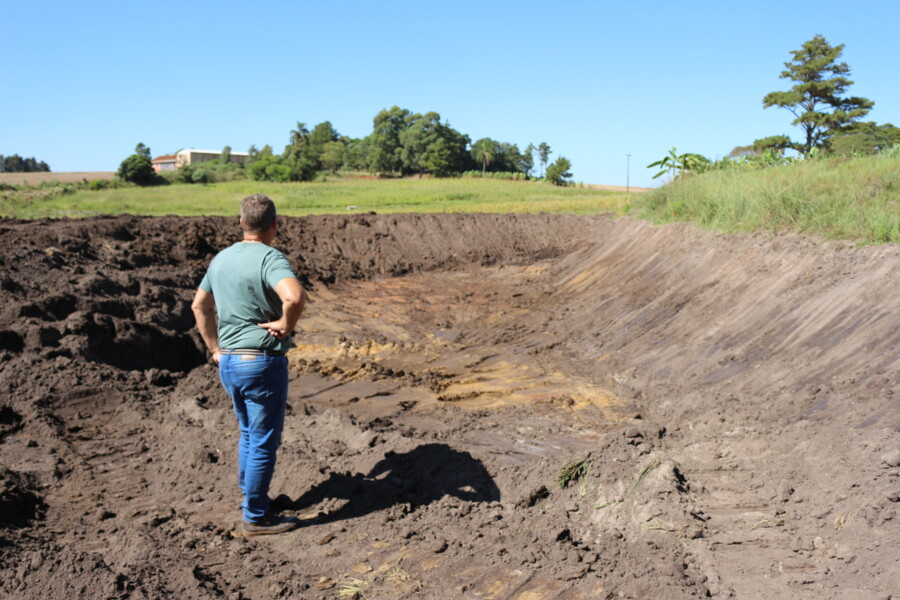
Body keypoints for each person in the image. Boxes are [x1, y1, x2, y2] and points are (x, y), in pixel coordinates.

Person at [191, 194, 306, 536]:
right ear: (275, 225)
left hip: (229, 362)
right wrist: (286, 324)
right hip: (261, 363)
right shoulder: (270, 258)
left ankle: (253, 499)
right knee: (263, 441)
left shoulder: (221, 259)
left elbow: (199, 306)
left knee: (248, 434)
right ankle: (255, 517)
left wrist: (215, 349)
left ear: (241, 223)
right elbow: (294, 297)